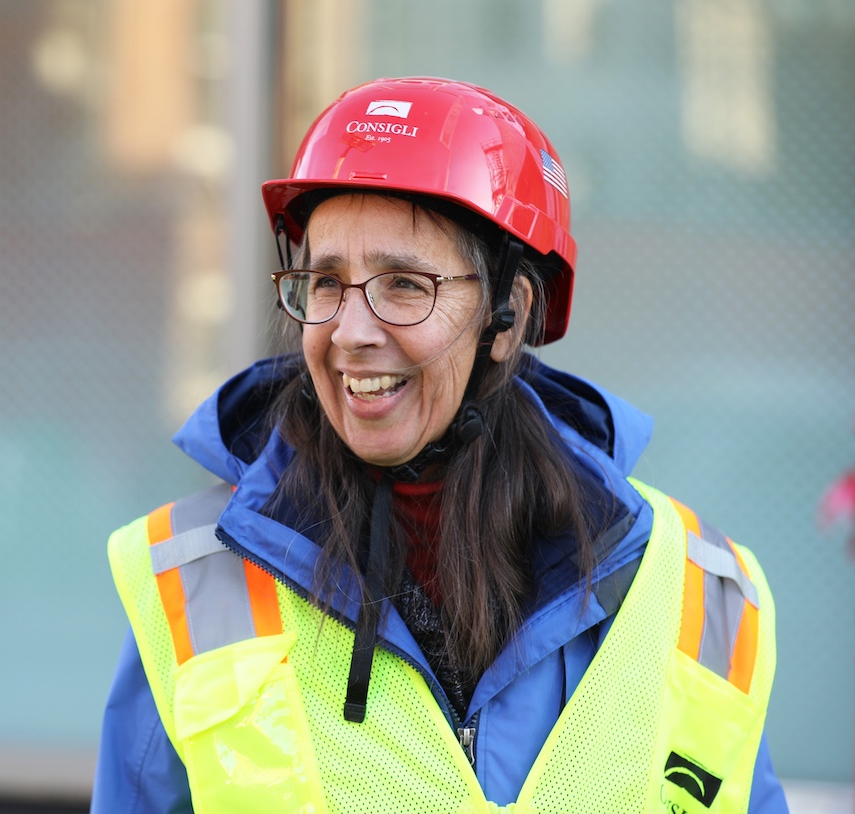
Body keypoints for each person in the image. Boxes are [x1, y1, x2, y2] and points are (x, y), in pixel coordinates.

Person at [93, 77, 788, 813]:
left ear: (509, 315)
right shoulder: (194, 584)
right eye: (325, 283)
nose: (351, 334)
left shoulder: (703, 599)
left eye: (402, 285)